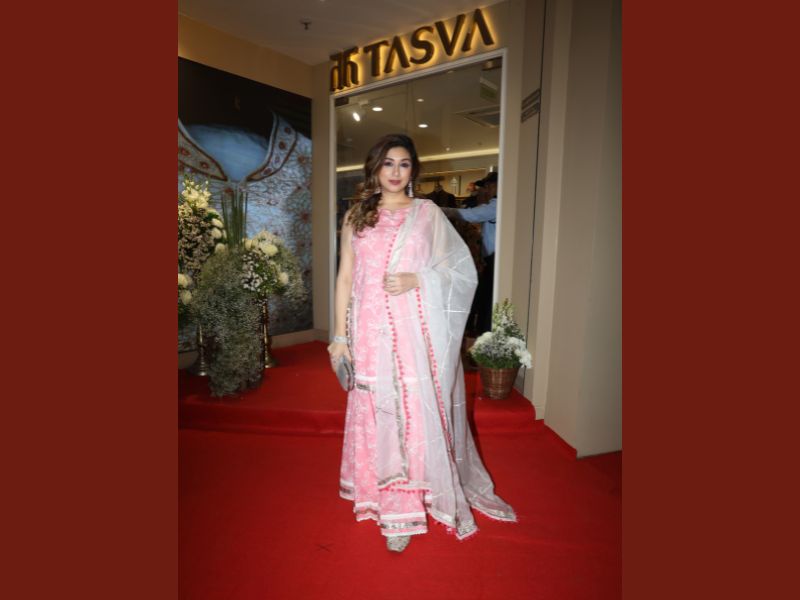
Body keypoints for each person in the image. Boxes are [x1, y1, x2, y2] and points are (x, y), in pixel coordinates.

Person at [328, 134, 516, 553]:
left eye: (404, 164)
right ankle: (375, 496)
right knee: (374, 410)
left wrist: (418, 279)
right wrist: (339, 337)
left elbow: (460, 272)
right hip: (367, 329)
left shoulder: (427, 213)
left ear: (413, 170)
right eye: (388, 163)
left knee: (408, 411)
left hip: (411, 330)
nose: (395, 172)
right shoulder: (356, 215)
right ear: (374, 168)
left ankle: (403, 511)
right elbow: (345, 277)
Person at [444, 171, 498, 336]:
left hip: (494, 260)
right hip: (487, 260)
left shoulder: (497, 205)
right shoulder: (493, 204)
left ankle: (484, 334)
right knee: (483, 298)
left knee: (487, 300)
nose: (485, 190)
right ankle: (480, 333)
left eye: (488, 186)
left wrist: (436, 210)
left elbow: (470, 215)